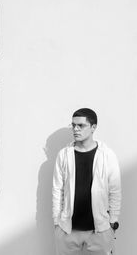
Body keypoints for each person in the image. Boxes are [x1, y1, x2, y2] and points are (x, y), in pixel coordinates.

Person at [52, 108, 121, 255]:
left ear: (93, 127)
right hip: (68, 230)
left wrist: (112, 223)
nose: (75, 129)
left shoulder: (107, 155)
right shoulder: (64, 155)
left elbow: (115, 190)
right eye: (73, 125)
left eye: (81, 125)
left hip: (99, 231)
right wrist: (57, 223)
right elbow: (57, 190)